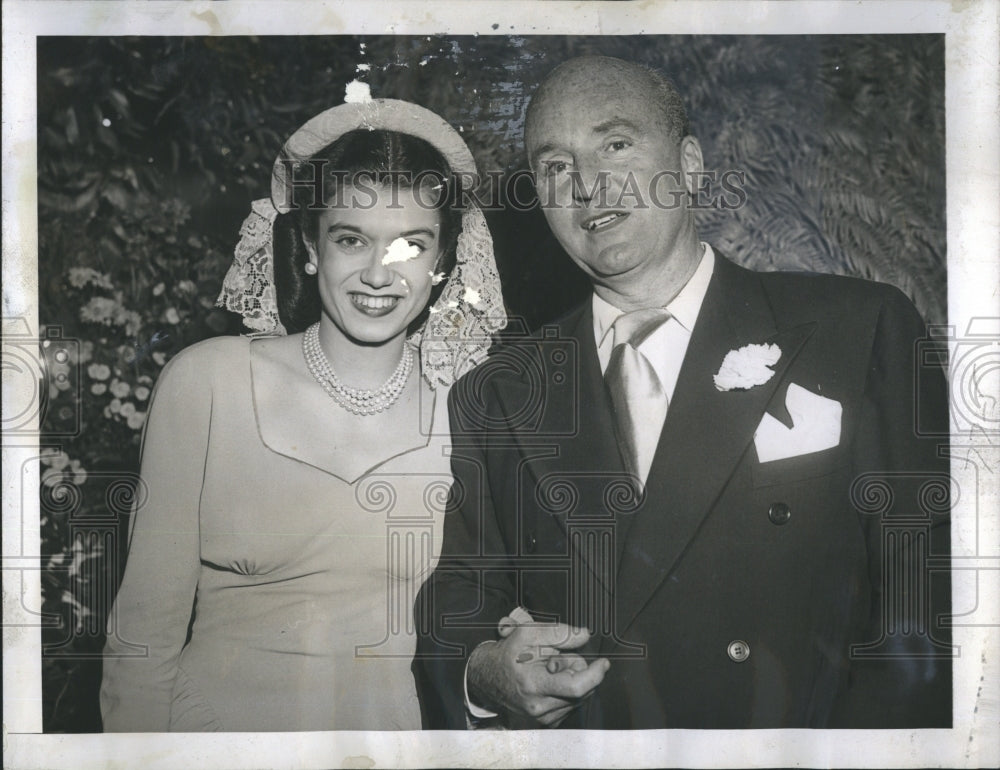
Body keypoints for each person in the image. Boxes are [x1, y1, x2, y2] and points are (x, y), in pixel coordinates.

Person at [413, 56, 951, 729]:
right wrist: (481, 671)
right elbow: (459, 594)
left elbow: (927, 592)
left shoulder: (857, 328)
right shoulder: (497, 393)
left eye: (616, 144)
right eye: (555, 167)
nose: (587, 186)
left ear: (689, 164)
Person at [100, 97, 506, 731]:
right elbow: (141, 641)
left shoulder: (471, 405)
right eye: (351, 240)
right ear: (312, 246)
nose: (378, 274)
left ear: (443, 264)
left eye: (410, 246)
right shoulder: (207, 382)